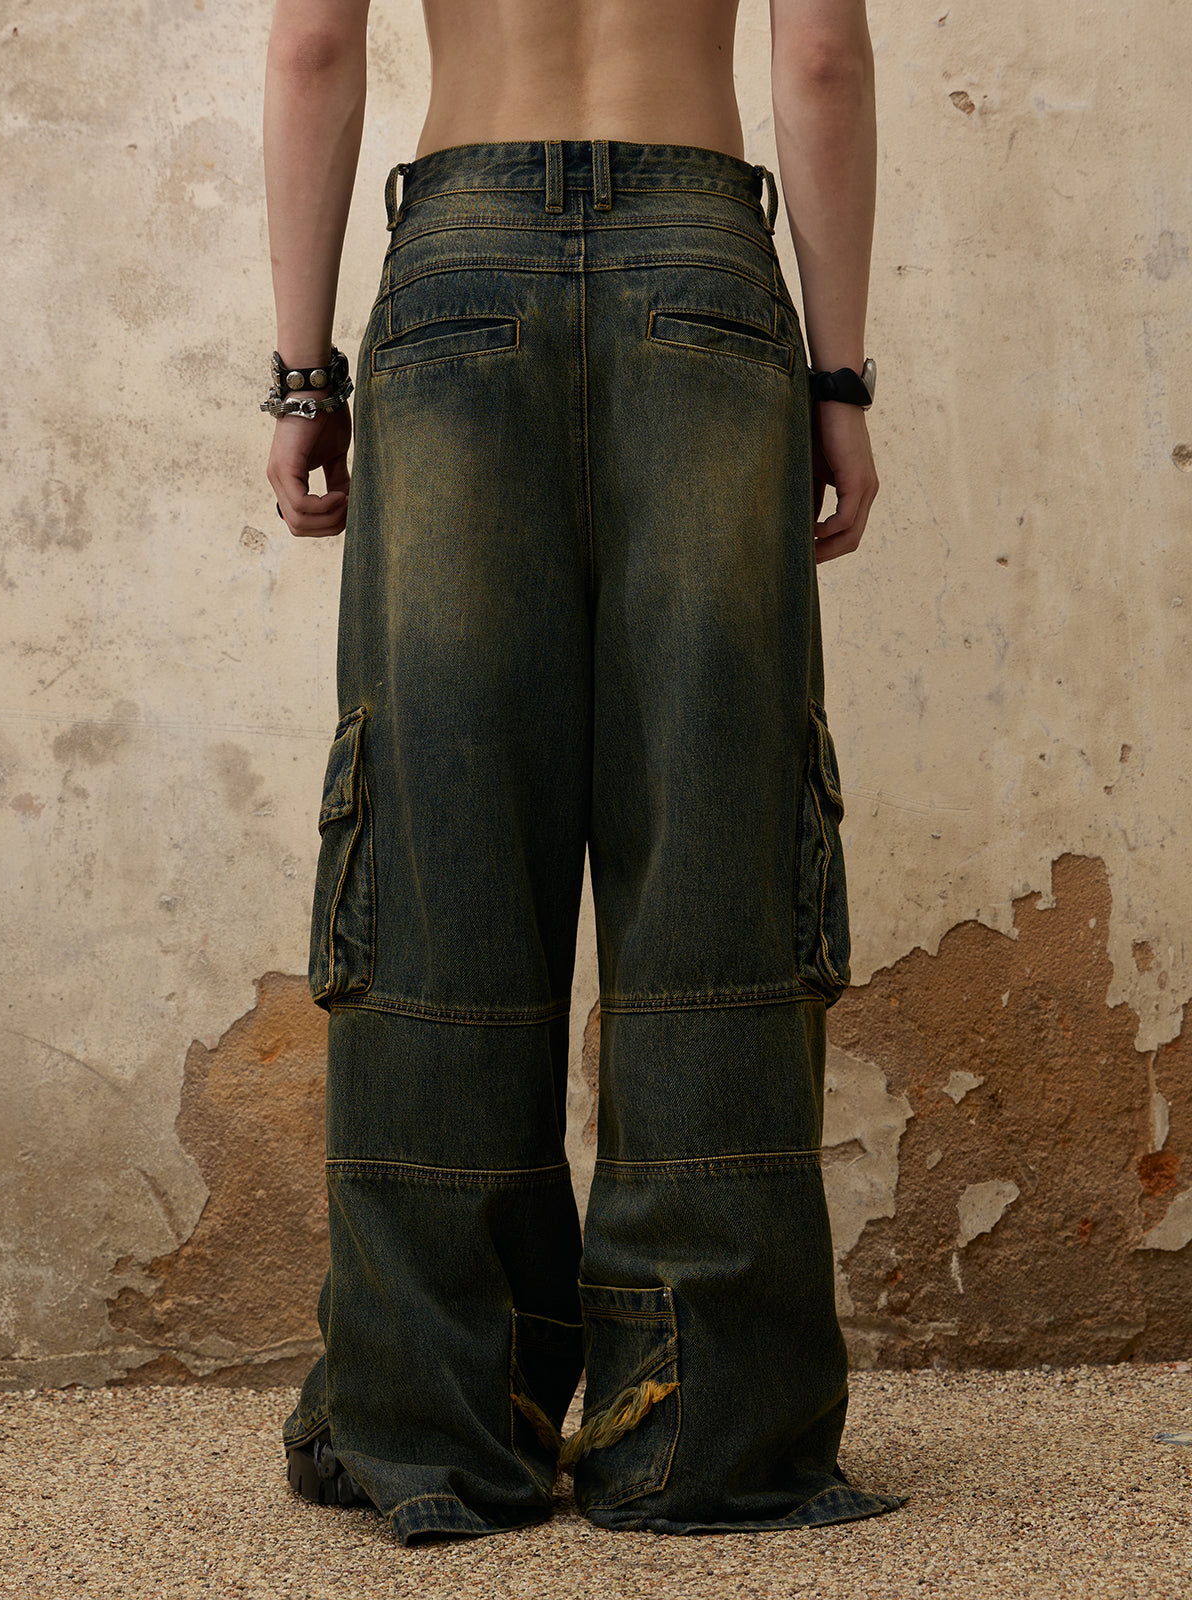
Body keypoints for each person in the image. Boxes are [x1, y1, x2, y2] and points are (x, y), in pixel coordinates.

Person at [262, 0, 900, 1544]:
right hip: (702, 275)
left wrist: (301, 377)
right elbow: (820, 57)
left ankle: (439, 1420)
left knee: (439, 838)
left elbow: (311, 50)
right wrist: (838, 383)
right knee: (717, 833)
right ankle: (706, 1432)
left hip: (459, 266)